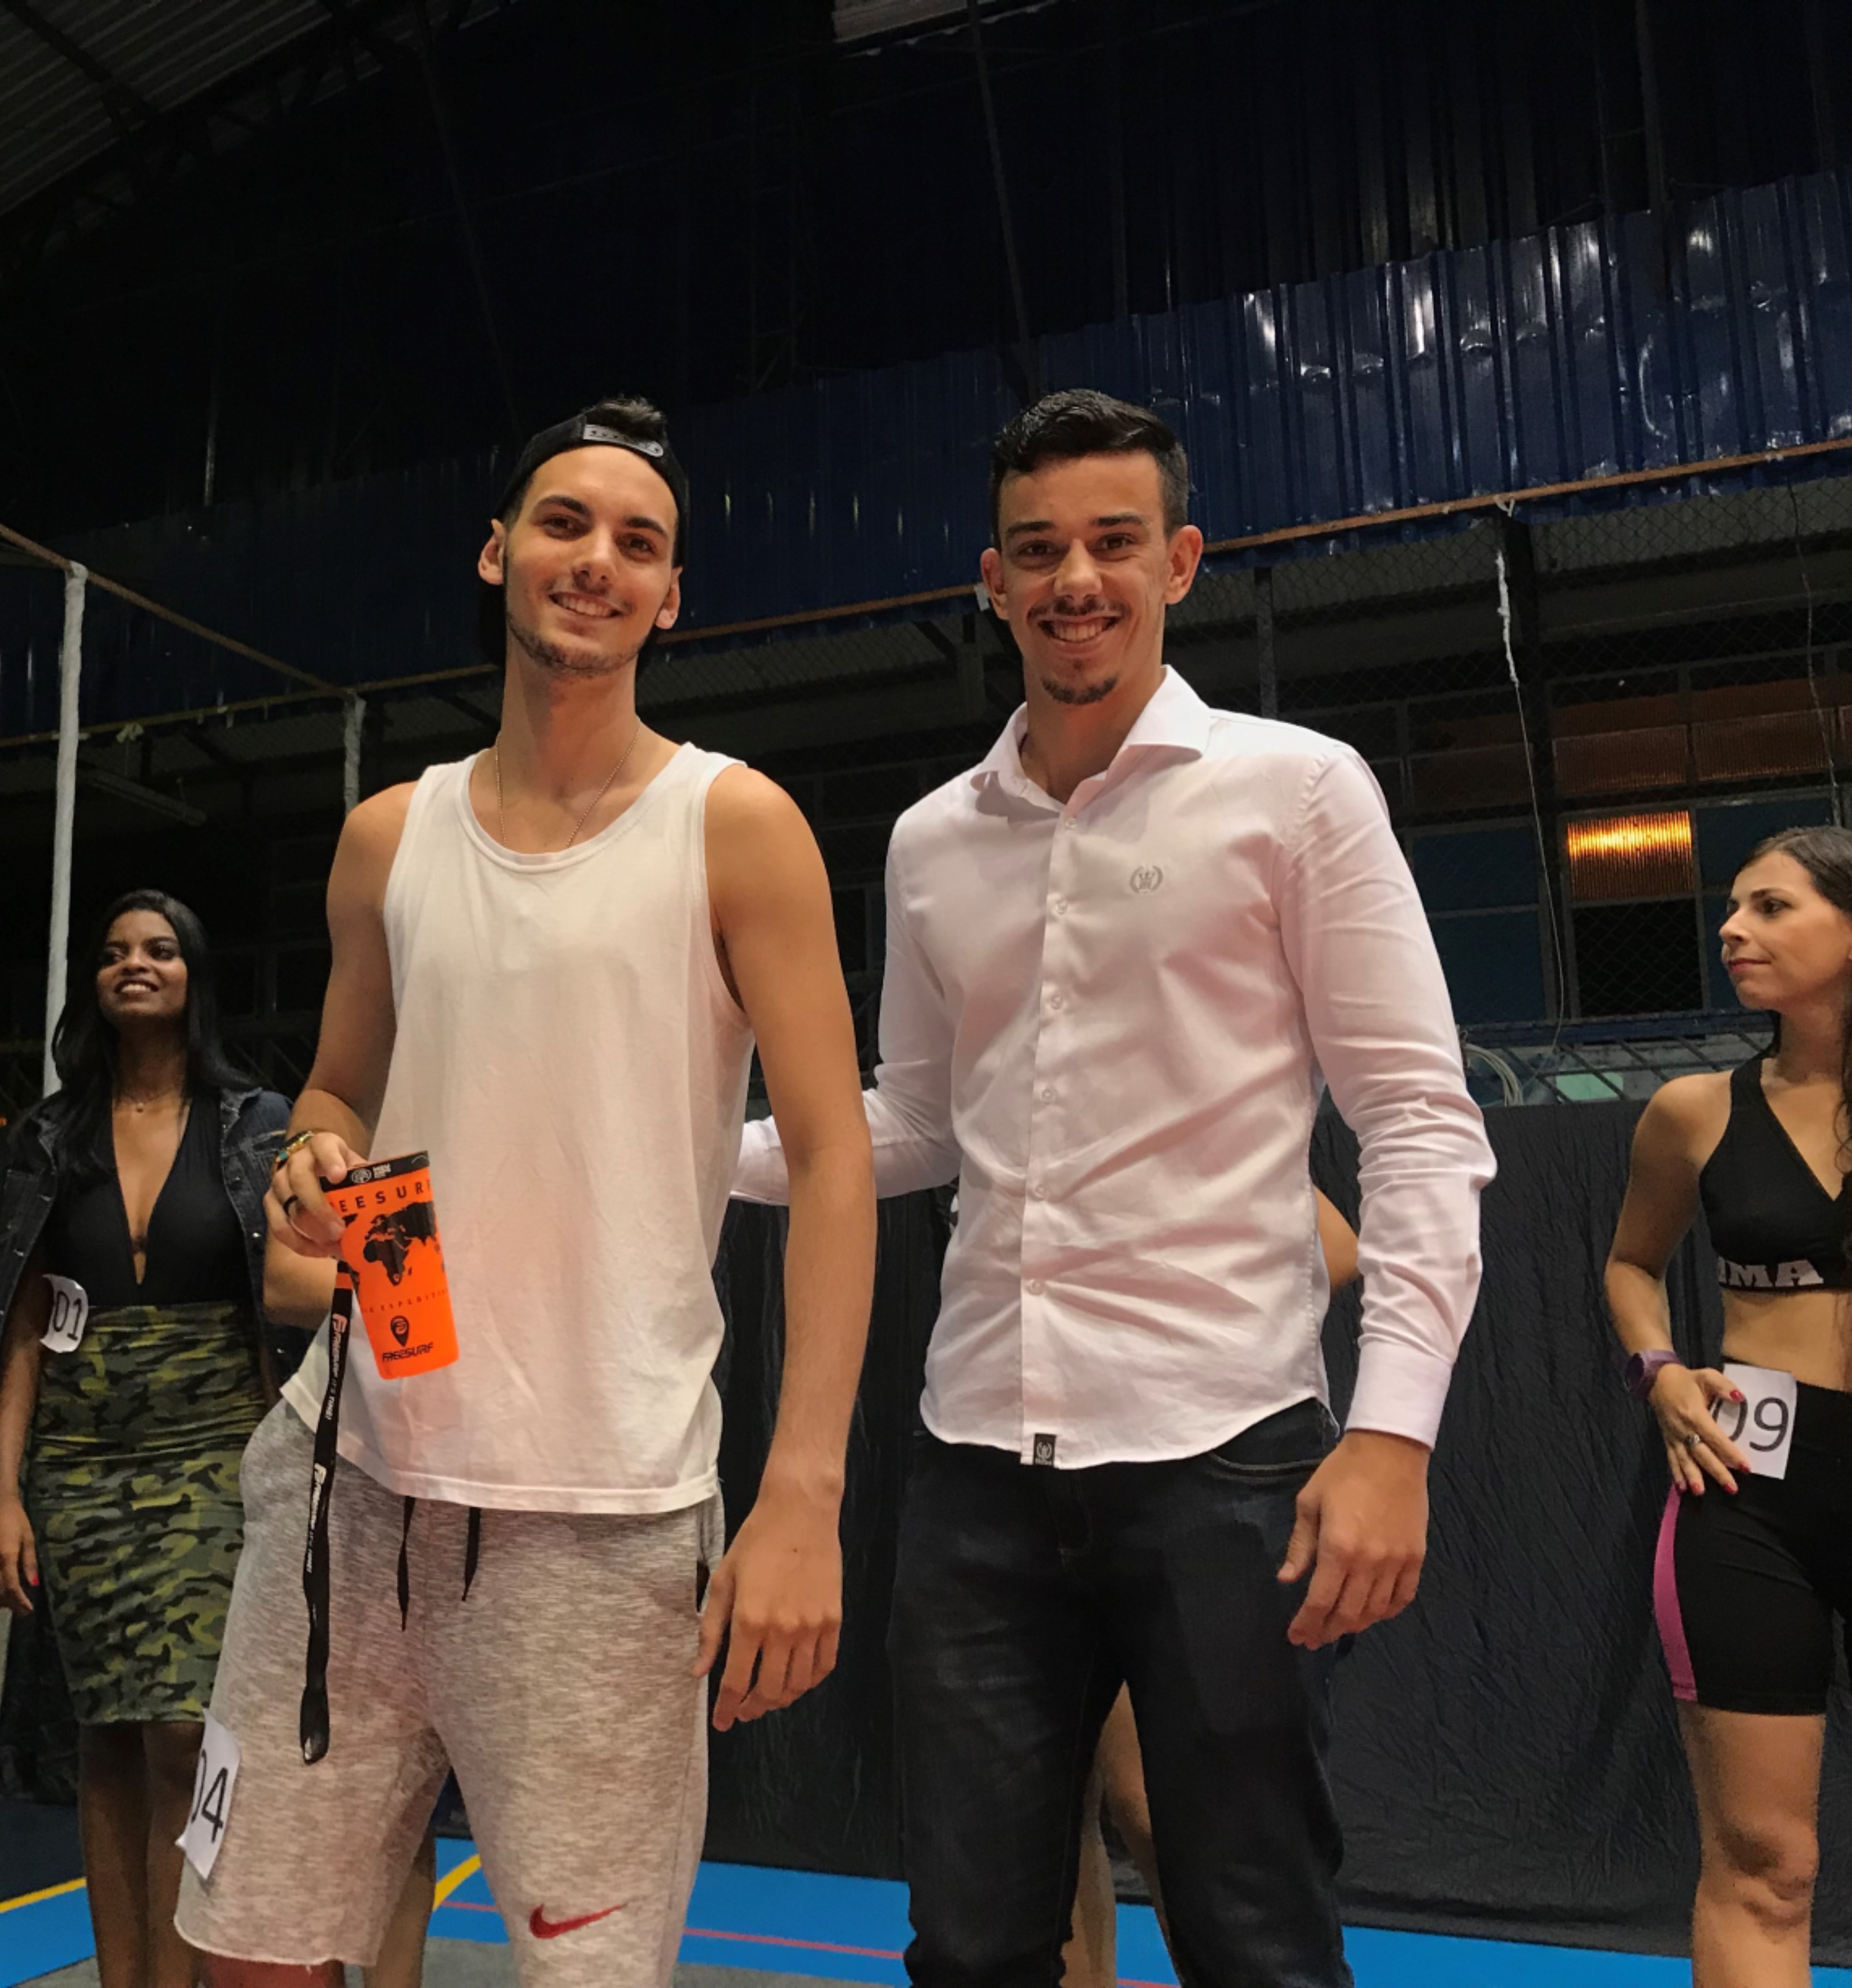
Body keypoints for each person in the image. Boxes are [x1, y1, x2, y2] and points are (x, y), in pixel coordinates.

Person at [732, 388, 1493, 1987]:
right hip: (974, 1468)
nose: (1075, 578)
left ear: (1181, 561)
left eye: (1113, 542)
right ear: (992, 581)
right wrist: (672, 1158)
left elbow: (1419, 1118)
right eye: (1038, 548)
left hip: (1228, 1454)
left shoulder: (1299, 789)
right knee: (970, 1947)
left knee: (1257, 1938)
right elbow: (911, 1121)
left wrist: (1393, 1430)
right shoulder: (932, 840)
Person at [181, 395, 875, 1987]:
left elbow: (835, 1159)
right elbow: (338, 1090)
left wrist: (804, 1495)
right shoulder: (387, 836)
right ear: (497, 551)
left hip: (602, 1517)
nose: (596, 559)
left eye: (638, 541)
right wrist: (311, 1160)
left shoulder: (737, 826)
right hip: (346, 1473)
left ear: (672, 595)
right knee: (252, 1956)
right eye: (565, 522)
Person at [0, 890, 424, 1988]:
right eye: (115, 952)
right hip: (79, 1464)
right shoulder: (48, 1135)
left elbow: (285, 1299)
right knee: (106, 1736)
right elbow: (18, 1320)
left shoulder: (257, 1124)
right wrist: (2, 1492)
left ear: (193, 974)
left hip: (215, 1450)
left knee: (183, 1732)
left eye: (160, 949)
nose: (136, 964)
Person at [1604, 826, 1852, 1987]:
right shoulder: (1692, 1110)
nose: (1730, 930)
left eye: (1768, 907)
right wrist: (1659, 1371)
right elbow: (1629, 1264)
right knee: (1762, 1863)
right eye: (1730, 907)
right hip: (1749, 1493)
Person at [1062, 1195, 1361, 1988]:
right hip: (1032, 1474)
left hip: (1181, 1477)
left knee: (1163, 1808)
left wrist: (1161, 1330)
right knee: (1043, 1815)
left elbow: (1336, 1246)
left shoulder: (1183, 1140)